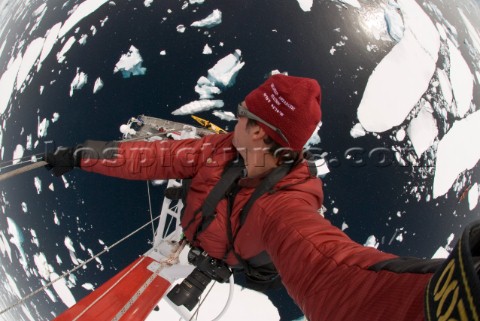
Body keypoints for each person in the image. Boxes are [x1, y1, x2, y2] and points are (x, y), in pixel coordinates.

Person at [45, 74, 479, 321]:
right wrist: (84, 156)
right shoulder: (216, 151)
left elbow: (333, 270)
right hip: (194, 243)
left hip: (222, 260)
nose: (232, 121)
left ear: (256, 129)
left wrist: (431, 303)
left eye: (240, 115)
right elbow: (150, 157)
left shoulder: (285, 203)